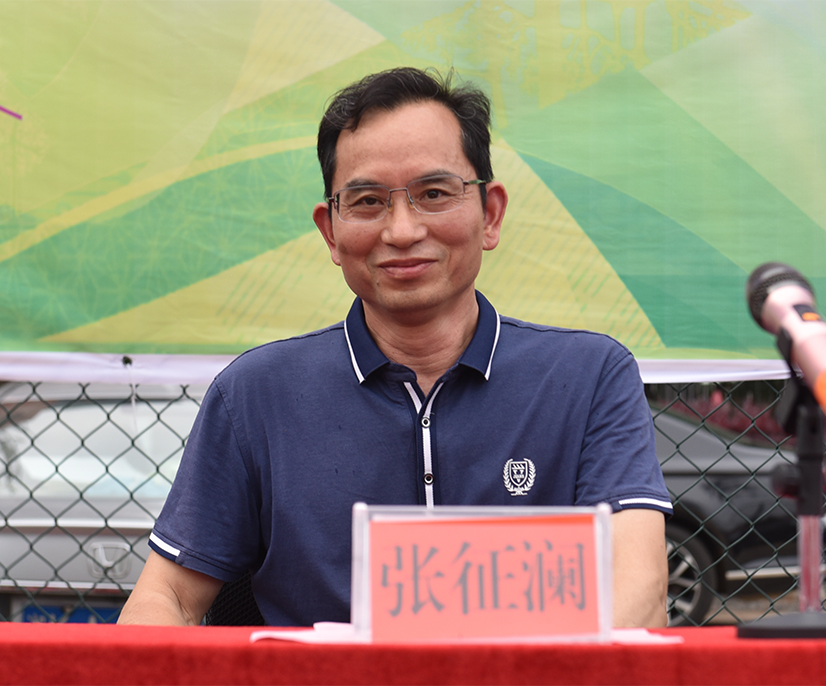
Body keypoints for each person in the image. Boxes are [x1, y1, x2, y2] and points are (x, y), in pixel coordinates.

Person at [119, 67, 673, 628]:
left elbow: (639, 592)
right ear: (330, 231)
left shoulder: (590, 378)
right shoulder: (255, 395)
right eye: (367, 201)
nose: (402, 231)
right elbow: (167, 597)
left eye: (434, 194)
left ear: (491, 214)